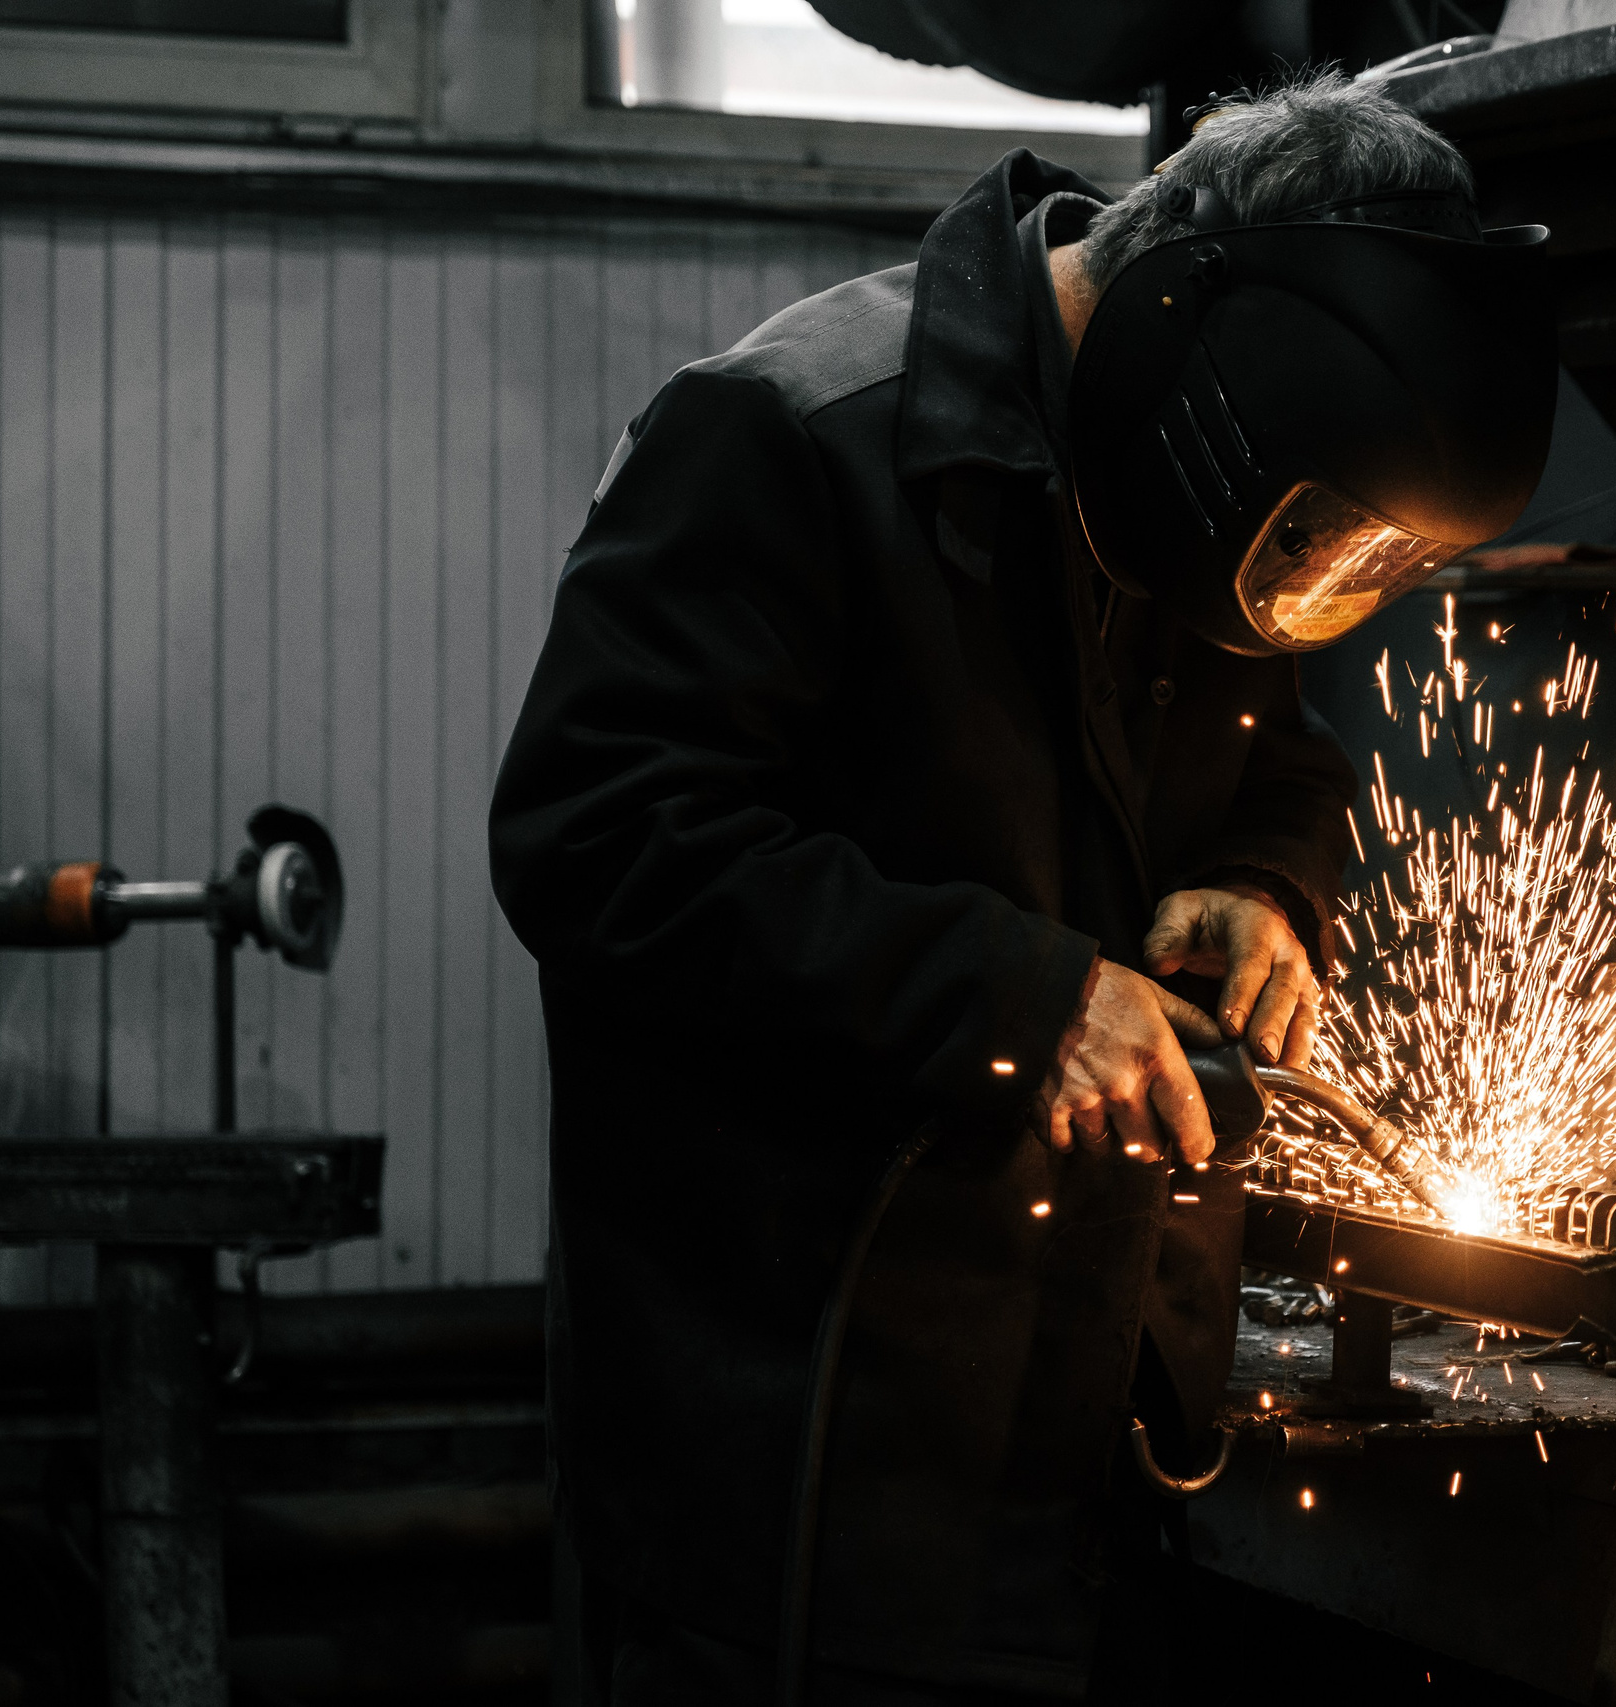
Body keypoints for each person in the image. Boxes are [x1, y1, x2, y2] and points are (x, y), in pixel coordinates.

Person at [490, 70, 1551, 1705]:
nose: (1310, 590)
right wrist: (1013, 999)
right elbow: (600, 835)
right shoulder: (794, 437)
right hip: (807, 1482)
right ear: (1188, 334)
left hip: (1091, 1467)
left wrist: (1263, 882)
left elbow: (1285, 760)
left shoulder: (1205, 480)